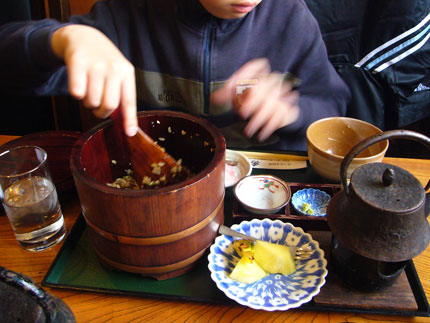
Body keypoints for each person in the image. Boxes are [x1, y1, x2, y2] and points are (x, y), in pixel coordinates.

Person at [0, 0, 350, 151]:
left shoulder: (292, 18)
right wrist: (62, 39)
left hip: (260, 190)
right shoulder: (129, 14)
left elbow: (334, 107)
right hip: (150, 190)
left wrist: (294, 112)